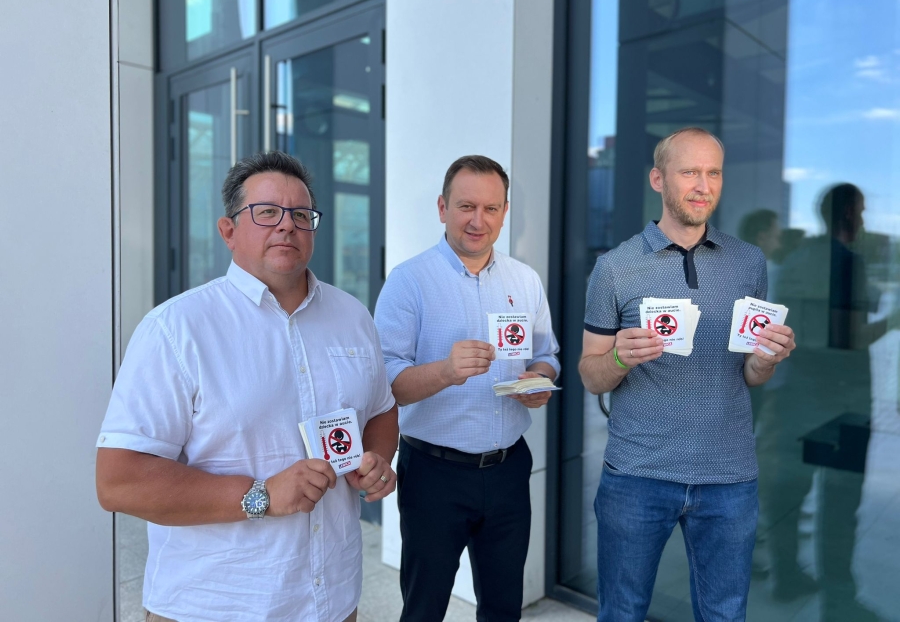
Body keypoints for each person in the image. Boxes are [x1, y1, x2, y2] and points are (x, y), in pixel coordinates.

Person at [95, 151, 398, 622]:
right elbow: (119, 481)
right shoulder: (176, 329)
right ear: (228, 230)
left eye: (301, 215)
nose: (287, 225)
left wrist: (375, 458)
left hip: (333, 601)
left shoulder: (352, 316)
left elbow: (381, 408)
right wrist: (261, 495)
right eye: (267, 212)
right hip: (214, 604)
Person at [578, 127, 796, 622]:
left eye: (713, 173)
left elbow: (750, 372)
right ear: (658, 179)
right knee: (622, 613)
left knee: (725, 615)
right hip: (637, 474)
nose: (703, 185)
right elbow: (591, 374)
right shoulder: (614, 268)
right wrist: (619, 359)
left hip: (729, 477)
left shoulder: (749, 261)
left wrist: (765, 360)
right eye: (689, 172)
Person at [374, 154, 560, 622]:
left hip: (508, 469)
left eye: (491, 208)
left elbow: (547, 354)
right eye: (466, 206)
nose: (479, 220)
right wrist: (446, 371)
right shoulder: (408, 282)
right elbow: (385, 385)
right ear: (442, 208)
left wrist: (540, 379)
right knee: (424, 609)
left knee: (503, 608)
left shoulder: (525, 280)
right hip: (434, 475)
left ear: (505, 211)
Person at [757, 183, 898, 620]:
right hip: (843, 401)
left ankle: (785, 576)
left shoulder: (795, 260)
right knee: (839, 504)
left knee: (790, 493)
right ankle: (839, 601)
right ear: (849, 214)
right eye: (862, 211)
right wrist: (893, 321)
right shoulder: (849, 263)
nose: (864, 219)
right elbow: (850, 337)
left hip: (798, 396)